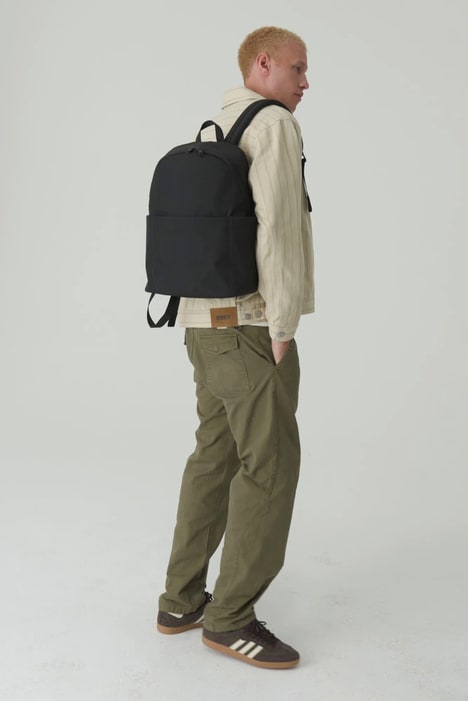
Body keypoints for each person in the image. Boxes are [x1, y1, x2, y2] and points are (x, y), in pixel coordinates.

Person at [156, 26, 314, 670]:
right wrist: (282, 327)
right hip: (249, 328)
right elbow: (277, 229)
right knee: (269, 467)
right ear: (264, 64)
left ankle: (180, 601)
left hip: (201, 326)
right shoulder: (272, 124)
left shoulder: (218, 127)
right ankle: (230, 619)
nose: (306, 82)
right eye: (298, 69)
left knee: (214, 457)